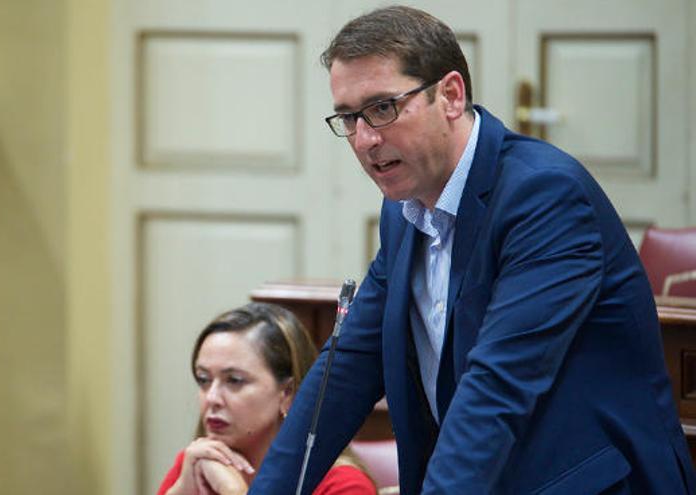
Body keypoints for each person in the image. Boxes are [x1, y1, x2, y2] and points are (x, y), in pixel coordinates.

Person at [251, 5, 696, 494]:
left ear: (451, 95)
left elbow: (496, 387)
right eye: (349, 117)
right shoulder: (403, 212)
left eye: (382, 108)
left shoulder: (544, 197)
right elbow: (349, 366)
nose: (365, 139)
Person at [156, 302, 375, 494]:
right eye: (204, 379)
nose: (212, 398)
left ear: (288, 393)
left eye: (234, 380)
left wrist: (235, 492)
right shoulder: (198, 462)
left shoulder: (343, 486)